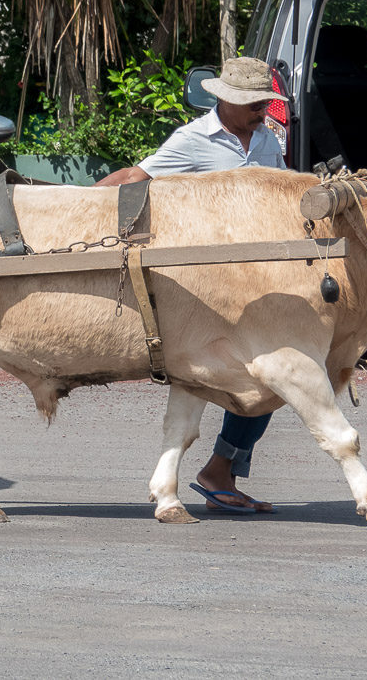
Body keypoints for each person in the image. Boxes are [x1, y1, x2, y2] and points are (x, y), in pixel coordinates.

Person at [96, 56, 287, 515]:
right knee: (260, 374)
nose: (261, 108)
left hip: (257, 278)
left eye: (264, 100)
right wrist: (80, 207)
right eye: (251, 101)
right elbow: (135, 180)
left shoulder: (267, 141)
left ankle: (220, 468)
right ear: (222, 99)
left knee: (270, 379)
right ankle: (219, 469)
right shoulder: (192, 140)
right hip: (207, 286)